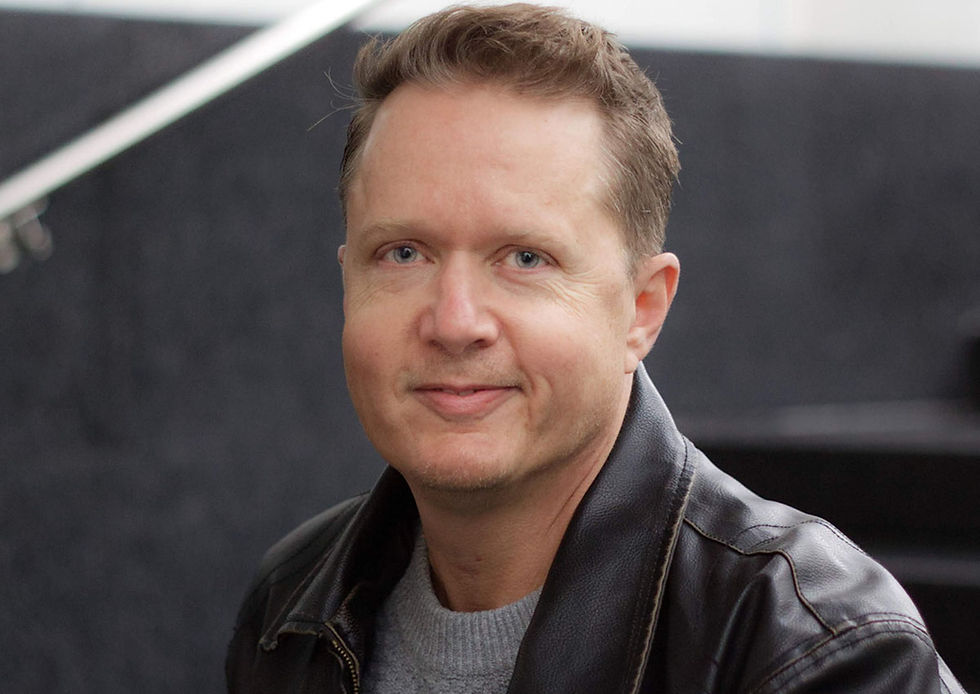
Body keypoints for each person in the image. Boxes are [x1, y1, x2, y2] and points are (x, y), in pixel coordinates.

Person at [226, 4, 966, 692]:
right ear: (348, 282)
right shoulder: (294, 601)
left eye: (524, 259)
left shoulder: (812, 648)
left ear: (642, 311)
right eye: (403, 254)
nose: (454, 322)